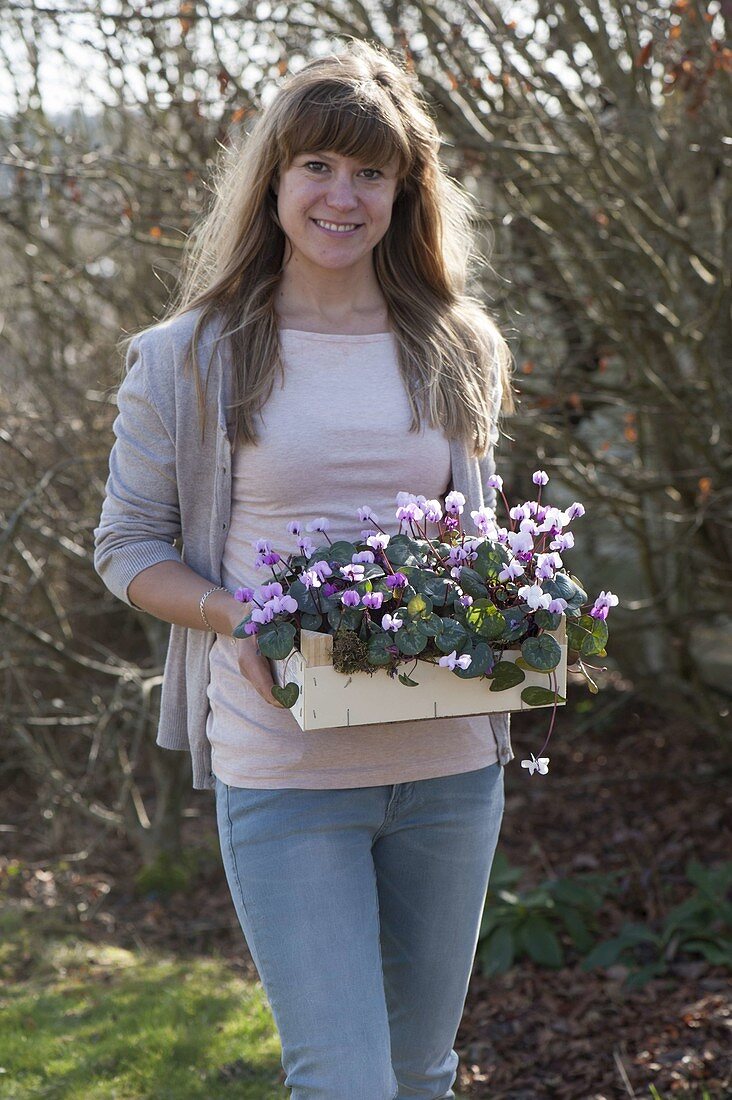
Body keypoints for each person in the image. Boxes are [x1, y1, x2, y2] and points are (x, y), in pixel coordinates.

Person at [94, 37, 517, 1100]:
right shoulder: (191, 355)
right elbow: (127, 543)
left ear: (405, 192)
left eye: (372, 172)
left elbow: (474, 531)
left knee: (420, 1072)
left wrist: (505, 591)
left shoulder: (453, 343)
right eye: (318, 166)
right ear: (274, 181)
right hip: (287, 772)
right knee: (346, 1080)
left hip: (449, 763)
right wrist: (237, 617)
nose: (344, 194)